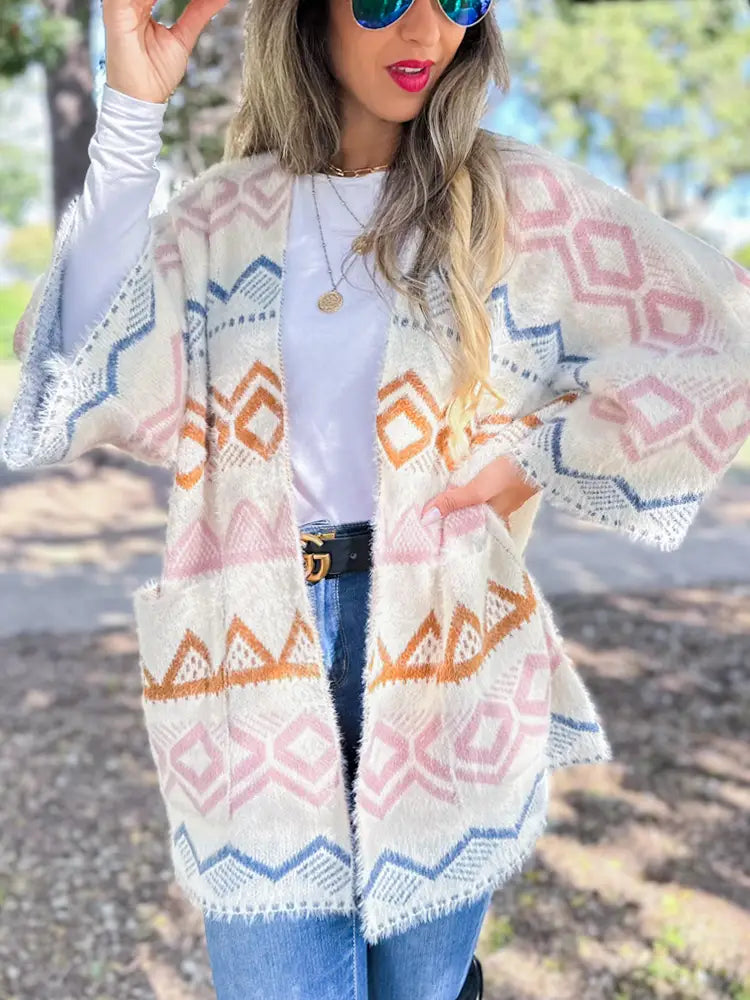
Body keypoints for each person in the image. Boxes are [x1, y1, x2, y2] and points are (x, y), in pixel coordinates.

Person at [2, 0, 749, 997]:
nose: (427, 33)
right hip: (251, 643)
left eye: (460, 1)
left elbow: (720, 337)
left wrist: (539, 456)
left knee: (425, 990)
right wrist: (133, 116)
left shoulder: (511, 199)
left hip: (449, 643)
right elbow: (76, 372)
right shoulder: (223, 216)